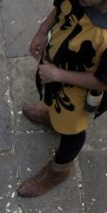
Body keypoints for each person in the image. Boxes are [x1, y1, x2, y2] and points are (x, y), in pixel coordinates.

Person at [19, 0, 107, 197]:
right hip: (54, 72)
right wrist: (42, 31)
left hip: (77, 90)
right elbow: (60, 8)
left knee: (73, 131)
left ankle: (58, 172)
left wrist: (58, 75)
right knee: (54, 103)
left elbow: (103, 82)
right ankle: (53, 116)